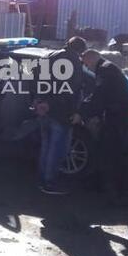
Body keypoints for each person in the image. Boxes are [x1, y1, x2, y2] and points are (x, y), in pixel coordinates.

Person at [75, 49, 128, 201]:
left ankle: (118, 192)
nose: (86, 67)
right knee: (111, 150)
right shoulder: (109, 67)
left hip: (117, 116)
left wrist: (81, 113)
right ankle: (115, 188)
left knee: (112, 152)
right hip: (119, 114)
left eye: (86, 63)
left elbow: (98, 96)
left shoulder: (104, 71)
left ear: (91, 59)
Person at [34, 37, 86, 194]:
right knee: (56, 149)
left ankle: (42, 179)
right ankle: (49, 183)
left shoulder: (50, 55)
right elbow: (71, 89)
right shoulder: (74, 61)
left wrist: (39, 100)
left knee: (46, 146)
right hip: (61, 111)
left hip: (44, 109)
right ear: (81, 50)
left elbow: (35, 76)